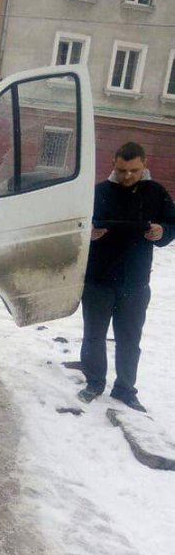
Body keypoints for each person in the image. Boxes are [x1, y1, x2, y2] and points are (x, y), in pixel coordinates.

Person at [78, 141, 175, 412]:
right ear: (113, 164)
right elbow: (78, 225)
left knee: (130, 339)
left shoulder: (156, 192)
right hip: (98, 281)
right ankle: (94, 383)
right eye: (122, 170)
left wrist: (162, 232)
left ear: (144, 164)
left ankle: (125, 389)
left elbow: (172, 224)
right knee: (94, 336)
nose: (127, 176)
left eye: (133, 170)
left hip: (135, 282)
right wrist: (89, 233)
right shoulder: (99, 192)